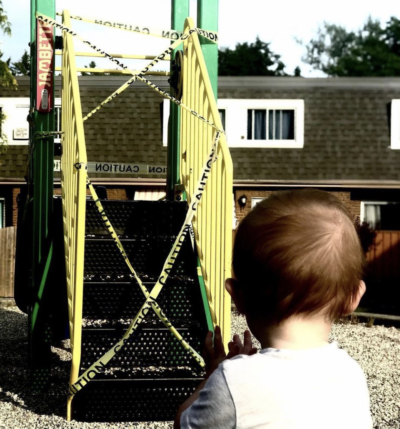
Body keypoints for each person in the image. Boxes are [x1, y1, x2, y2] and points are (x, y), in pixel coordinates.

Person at [175, 189, 372, 429]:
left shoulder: (234, 382)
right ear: (353, 298)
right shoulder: (351, 375)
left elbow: (182, 424)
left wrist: (212, 375)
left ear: (237, 297)